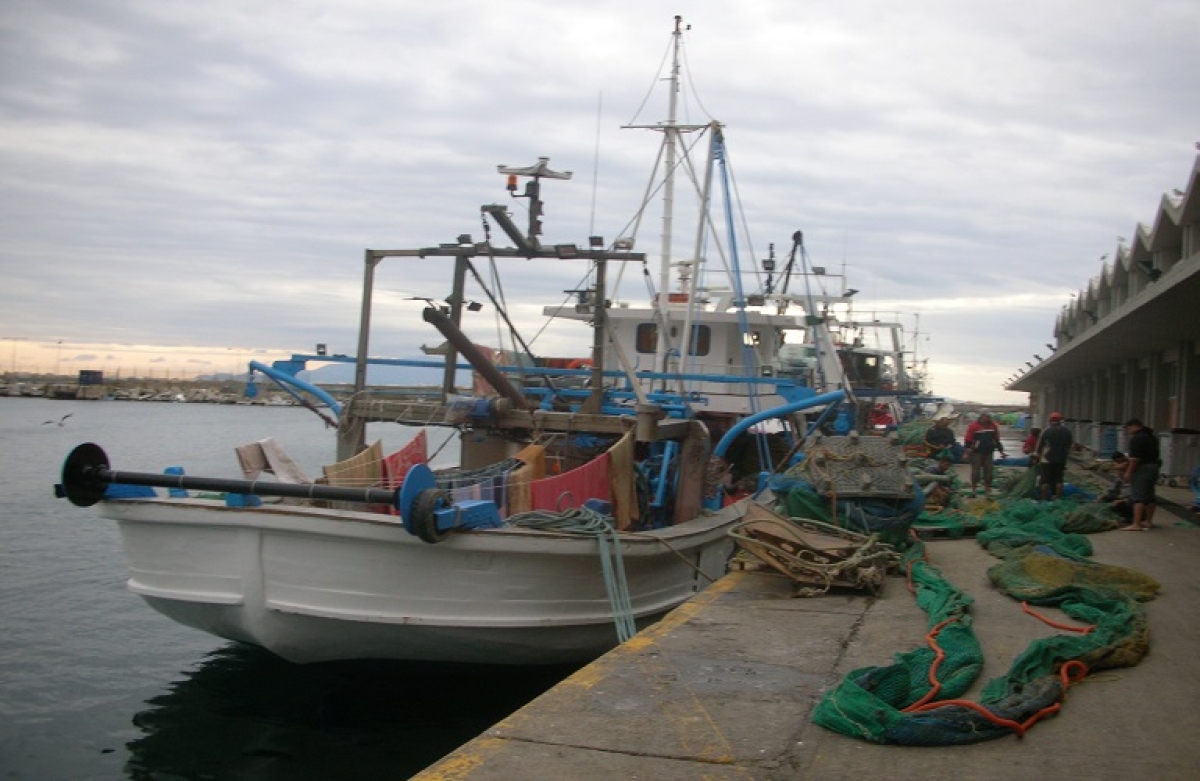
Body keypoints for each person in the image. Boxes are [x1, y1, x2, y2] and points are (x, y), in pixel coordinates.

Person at [1121, 418, 1160, 530]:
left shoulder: (1138, 438)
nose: (1128, 431)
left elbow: (1135, 458)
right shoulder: (1151, 436)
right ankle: (1148, 521)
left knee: (1138, 495)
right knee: (1150, 495)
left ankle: (1136, 523)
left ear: (1134, 426)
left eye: (1128, 428)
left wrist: (1128, 472)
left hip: (1143, 468)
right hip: (1154, 466)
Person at [964, 410, 1006, 496]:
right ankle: (973, 489)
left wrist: (1001, 451)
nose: (988, 418)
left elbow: (997, 440)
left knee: (989, 472)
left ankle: (987, 489)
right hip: (976, 452)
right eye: (986, 416)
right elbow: (968, 439)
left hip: (989, 452)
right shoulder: (973, 426)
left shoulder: (993, 426)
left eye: (989, 417)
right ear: (982, 416)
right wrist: (966, 451)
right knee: (975, 472)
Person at [1036, 412, 1073, 501]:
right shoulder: (1067, 431)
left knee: (1044, 480)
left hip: (1047, 460)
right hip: (1061, 459)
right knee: (1059, 479)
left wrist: (1037, 456)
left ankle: (1043, 500)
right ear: (1060, 420)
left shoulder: (1046, 431)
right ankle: (1058, 498)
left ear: (1050, 420)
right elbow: (1069, 445)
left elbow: (1039, 446)